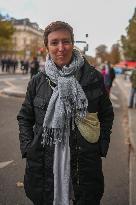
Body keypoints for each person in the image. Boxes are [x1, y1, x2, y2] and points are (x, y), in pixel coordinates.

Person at [17, 21, 114, 205]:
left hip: (84, 167)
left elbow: (107, 114)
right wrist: (28, 148)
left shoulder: (93, 78)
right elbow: (25, 117)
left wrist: (102, 145)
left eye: (66, 41)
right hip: (45, 166)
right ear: (47, 46)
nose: (61, 48)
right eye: (54, 43)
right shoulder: (37, 81)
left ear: (73, 43)